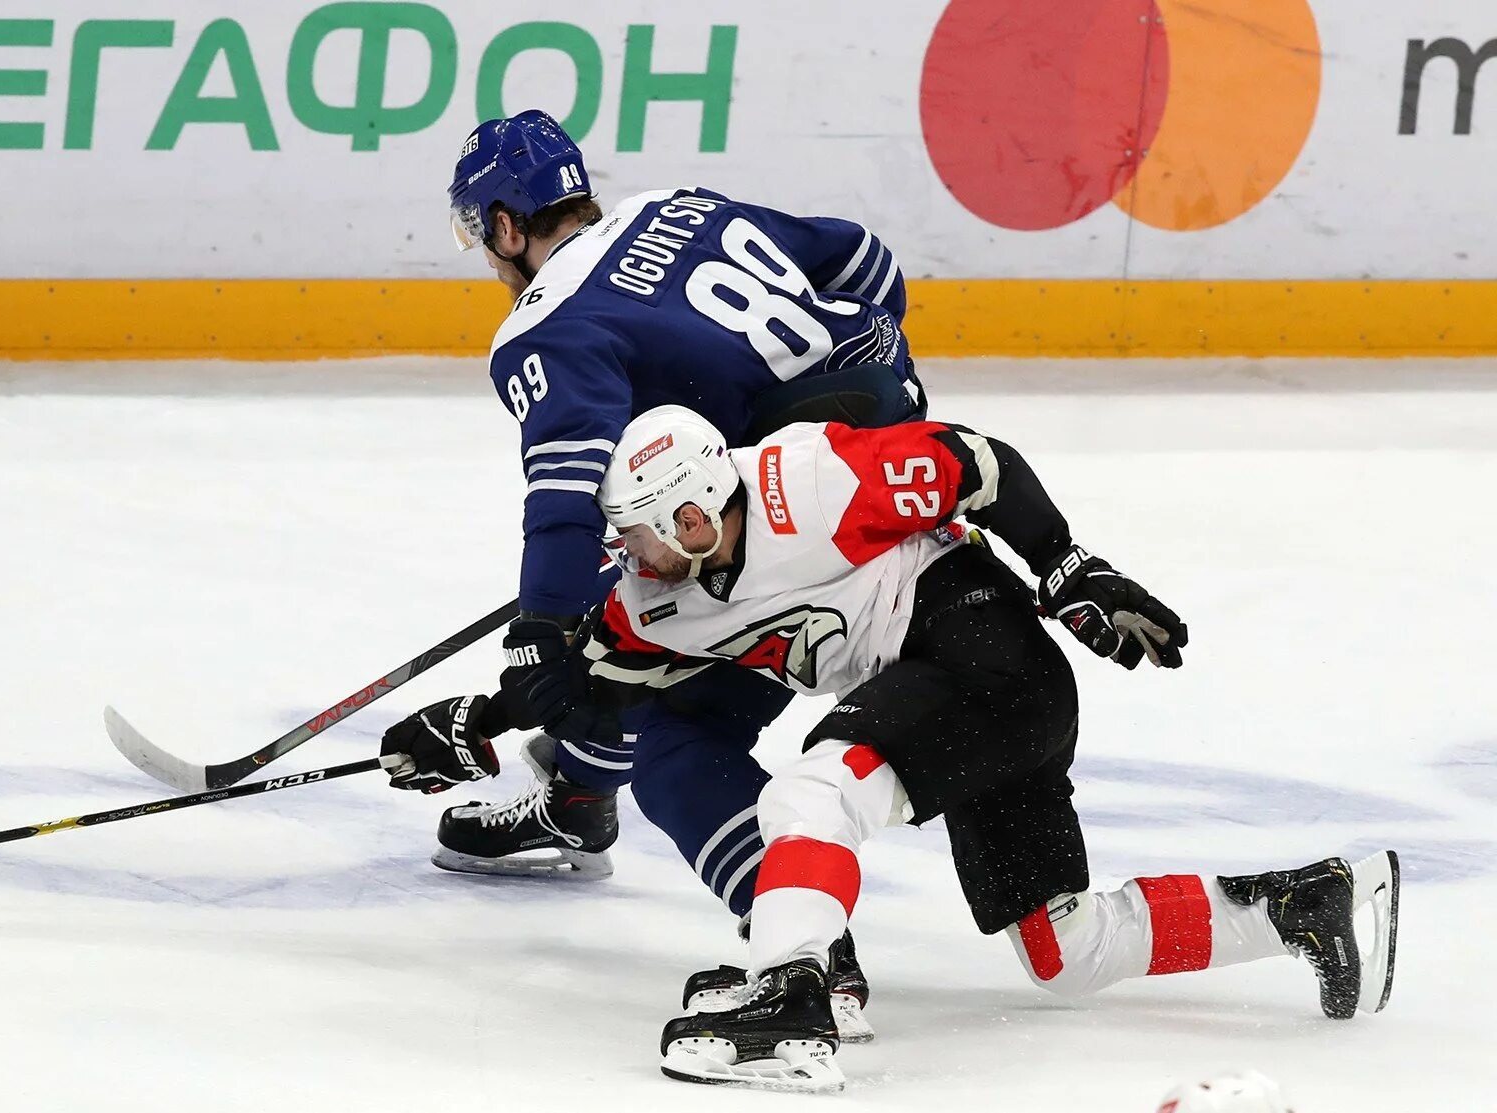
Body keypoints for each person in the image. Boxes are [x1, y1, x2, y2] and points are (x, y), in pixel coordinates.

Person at [387, 405, 1402, 1093]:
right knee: (1064, 950)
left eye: (644, 534)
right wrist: (468, 727)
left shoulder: (806, 478)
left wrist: (1064, 565)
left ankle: (794, 1003)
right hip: (974, 706)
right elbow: (585, 687)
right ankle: (1308, 903)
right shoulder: (659, 600)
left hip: (982, 653)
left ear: (696, 511)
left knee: (809, 797)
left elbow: (974, 463)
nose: (630, 557)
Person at [382, 107, 923, 1030]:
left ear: (508, 227)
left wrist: (538, 640)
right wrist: (813, 413)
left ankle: (804, 955)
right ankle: (579, 796)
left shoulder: (545, 328)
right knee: (637, 595)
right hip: (899, 475)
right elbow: (864, 260)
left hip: (794, 551)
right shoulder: (677, 208)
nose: (486, 253)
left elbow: (561, 495)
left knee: (663, 713)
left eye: (484, 234)